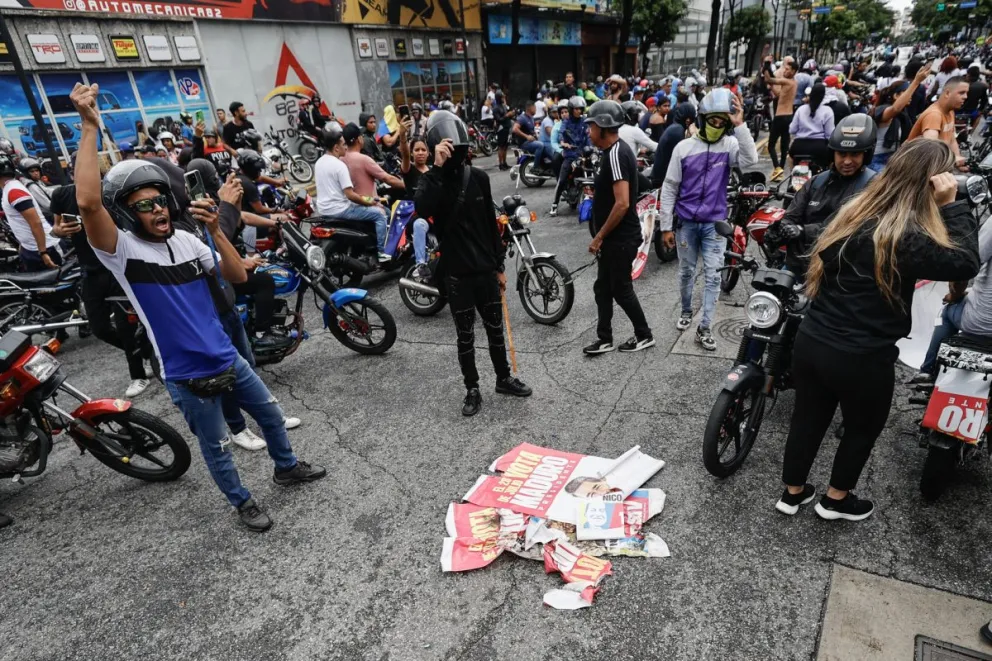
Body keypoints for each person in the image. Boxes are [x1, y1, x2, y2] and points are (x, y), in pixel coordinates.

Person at [70, 82, 325, 532]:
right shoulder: (123, 251)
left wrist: (217, 231)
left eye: (160, 200)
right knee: (219, 445)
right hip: (186, 373)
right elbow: (89, 202)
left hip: (226, 355)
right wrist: (89, 126)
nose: (157, 209)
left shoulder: (188, 240)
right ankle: (242, 501)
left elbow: (237, 276)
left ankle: (285, 467)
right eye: (143, 205)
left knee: (268, 414)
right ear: (128, 215)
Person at [775, 139, 980, 521]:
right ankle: (835, 501)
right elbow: (965, 261)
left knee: (807, 418)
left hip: (813, 339)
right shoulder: (904, 236)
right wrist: (953, 206)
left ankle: (793, 493)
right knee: (861, 427)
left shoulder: (855, 211)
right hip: (862, 356)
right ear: (931, 182)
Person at [413, 110, 532, 415]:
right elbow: (423, 210)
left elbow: (491, 226)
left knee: (495, 329)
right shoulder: (431, 181)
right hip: (457, 275)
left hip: (485, 272)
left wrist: (500, 268)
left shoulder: (478, 177)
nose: (455, 155)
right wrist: (436, 167)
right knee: (465, 337)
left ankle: (503, 377)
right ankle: (472, 388)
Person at [658, 89, 758, 351]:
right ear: (702, 119)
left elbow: (751, 159)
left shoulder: (729, 146)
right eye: (712, 120)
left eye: (721, 122)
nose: (717, 126)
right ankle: (687, 310)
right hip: (686, 224)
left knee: (713, 276)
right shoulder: (683, 148)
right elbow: (669, 187)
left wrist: (740, 125)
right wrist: (665, 226)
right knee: (686, 272)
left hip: (714, 224)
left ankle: (705, 328)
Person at [49, 174, 150, 397]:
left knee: (126, 325)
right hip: (90, 271)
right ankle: (144, 353)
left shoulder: (110, 190)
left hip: (117, 266)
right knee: (99, 328)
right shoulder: (62, 194)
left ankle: (138, 375)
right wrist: (61, 231)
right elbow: (55, 227)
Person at [581, 100, 654, 356]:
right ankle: (605, 338)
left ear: (602, 127)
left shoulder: (615, 153)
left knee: (621, 289)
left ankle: (644, 334)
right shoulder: (612, 152)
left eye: (591, 126)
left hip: (619, 238)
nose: (588, 131)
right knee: (603, 288)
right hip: (614, 238)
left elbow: (622, 203)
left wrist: (599, 236)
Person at [775, 114, 877, 276]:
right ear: (833, 154)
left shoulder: (872, 186)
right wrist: (780, 230)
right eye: (842, 154)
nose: (847, 161)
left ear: (866, 155)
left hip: (841, 273)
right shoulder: (816, 182)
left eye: (855, 155)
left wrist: (802, 230)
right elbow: (791, 215)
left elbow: (846, 228)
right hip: (799, 265)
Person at [917, 208, 992, 379]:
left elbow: (966, 267)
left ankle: (927, 371)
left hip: (979, 323)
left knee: (948, 311)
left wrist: (955, 296)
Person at [314, 124, 389, 260]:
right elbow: (350, 195)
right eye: (343, 144)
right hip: (341, 209)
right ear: (336, 148)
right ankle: (382, 252)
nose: (346, 147)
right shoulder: (339, 165)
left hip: (324, 210)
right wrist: (369, 201)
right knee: (380, 215)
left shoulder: (319, 163)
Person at [0, 155, 60, 271]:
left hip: (46, 247)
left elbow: (36, 222)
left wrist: (43, 252)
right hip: (32, 247)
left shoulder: (14, 191)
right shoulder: (9, 189)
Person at [871, 65, 930, 172]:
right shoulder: (883, 110)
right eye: (907, 93)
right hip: (877, 160)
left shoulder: (904, 115)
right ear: (896, 96)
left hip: (894, 158)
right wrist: (916, 81)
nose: (910, 96)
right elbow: (895, 109)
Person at [907, 75, 969, 170]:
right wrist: (953, 159)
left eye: (966, 93)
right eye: (961, 93)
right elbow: (931, 149)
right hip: (917, 169)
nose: (965, 97)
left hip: (935, 167)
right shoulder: (934, 115)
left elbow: (951, 139)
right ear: (947, 93)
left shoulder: (950, 111)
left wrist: (959, 160)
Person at [397, 118, 432, 278]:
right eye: (416, 150)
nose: (420, 153)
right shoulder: (409, 170)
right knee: (419, 225)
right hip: (419, 219)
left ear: (428, 152)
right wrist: (403, 137)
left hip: (437, 217)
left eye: (423, 150)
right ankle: (421, 264)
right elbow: (404, 153)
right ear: (412, 153)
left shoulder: (434, 171)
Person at [550, 96, 590, 217]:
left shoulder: (584, 121)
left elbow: (588, 135)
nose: (579, 111)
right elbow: (561, 133)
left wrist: (592, 147)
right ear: (572, 109)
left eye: (581, 109)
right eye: (577, 109)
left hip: (584, 154)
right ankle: (554, 204)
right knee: (562, 179)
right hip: (570, 155)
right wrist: (563, 143)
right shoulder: (566, 122)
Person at [341, 122, 405, 198]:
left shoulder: (340, 159)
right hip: (368, 205)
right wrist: (407, 185)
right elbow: (387, 178)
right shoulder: (364, 159)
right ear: (359, 139)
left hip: (349, 204)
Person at [763, 57, 799, 182]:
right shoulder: (793, 83)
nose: (785, 71)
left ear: (794, 71)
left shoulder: (787, 82)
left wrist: (767, 64)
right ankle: (780, 171)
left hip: (780, 117)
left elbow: (769, 79)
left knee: (771, 145)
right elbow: (778, 92)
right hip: (789, 117)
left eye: (788, 69)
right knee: (784, 146)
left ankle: (777, 167)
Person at [788, 83, 834, 171]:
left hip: (798, 147)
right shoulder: (828, 111)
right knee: (831, 161)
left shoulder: (801, 109)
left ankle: (793, 178)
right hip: (819, 148)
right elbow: (829, 135)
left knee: (790, 158)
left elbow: (792, 130)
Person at [650, 102, 696, 189]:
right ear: (688, 119)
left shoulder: (675, 127)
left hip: (661, 176)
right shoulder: (678, 131)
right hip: (662, 180)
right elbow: (682, 159)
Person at [512, 101, 549, 173]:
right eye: (535, 107)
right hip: (524, 143)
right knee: (540, 145)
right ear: (530, 108)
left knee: (544, 143)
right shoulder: (522, 118)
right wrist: (526, 136)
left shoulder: (531, 118)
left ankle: (545, 166)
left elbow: (531, 131)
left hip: (530, 141)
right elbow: (514, 129)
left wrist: (536, 136)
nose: (536, 109)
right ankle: (535, 168)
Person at [961, 65, 988, 129]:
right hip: (971, 111)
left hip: (958, 110)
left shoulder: (961, 84)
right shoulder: (983, 86)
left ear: (968, 75)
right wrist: (980, 110)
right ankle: (970, 134)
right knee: (978, 116)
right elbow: (984, 101)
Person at [493, 92, 513, 171]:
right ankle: (501, 164)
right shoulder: (496, 108)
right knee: (501, 146)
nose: (503, 99)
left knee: (505, 146)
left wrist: (511, 114)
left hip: (507, 128)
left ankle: (505, 162)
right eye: (502, 97)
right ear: (498, 98)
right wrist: (506, 115)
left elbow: (507, 116)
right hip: (501, 129)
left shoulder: (503, 106)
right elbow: (498, 119)